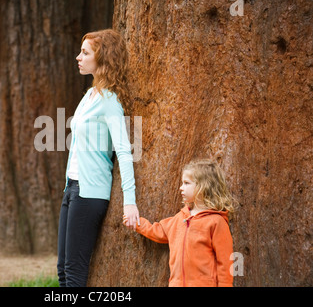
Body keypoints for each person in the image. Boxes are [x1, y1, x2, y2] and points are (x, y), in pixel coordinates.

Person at [57, 29, 140, 287]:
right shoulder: (89, 96)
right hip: (71, 188)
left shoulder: (110, 102)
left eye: (85, 53)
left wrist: (130, 201)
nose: (78, 57)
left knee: (74, 273)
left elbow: (124, 151)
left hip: (90, 194)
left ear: (102, 58)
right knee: (62, 270)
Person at [124, 159, 236, 287]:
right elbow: (158, 231)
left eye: (186, 183)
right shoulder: (180, 218)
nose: (181, 188)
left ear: (203, 186)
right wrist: (137, 223)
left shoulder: (216, 222)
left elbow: (226, 261)